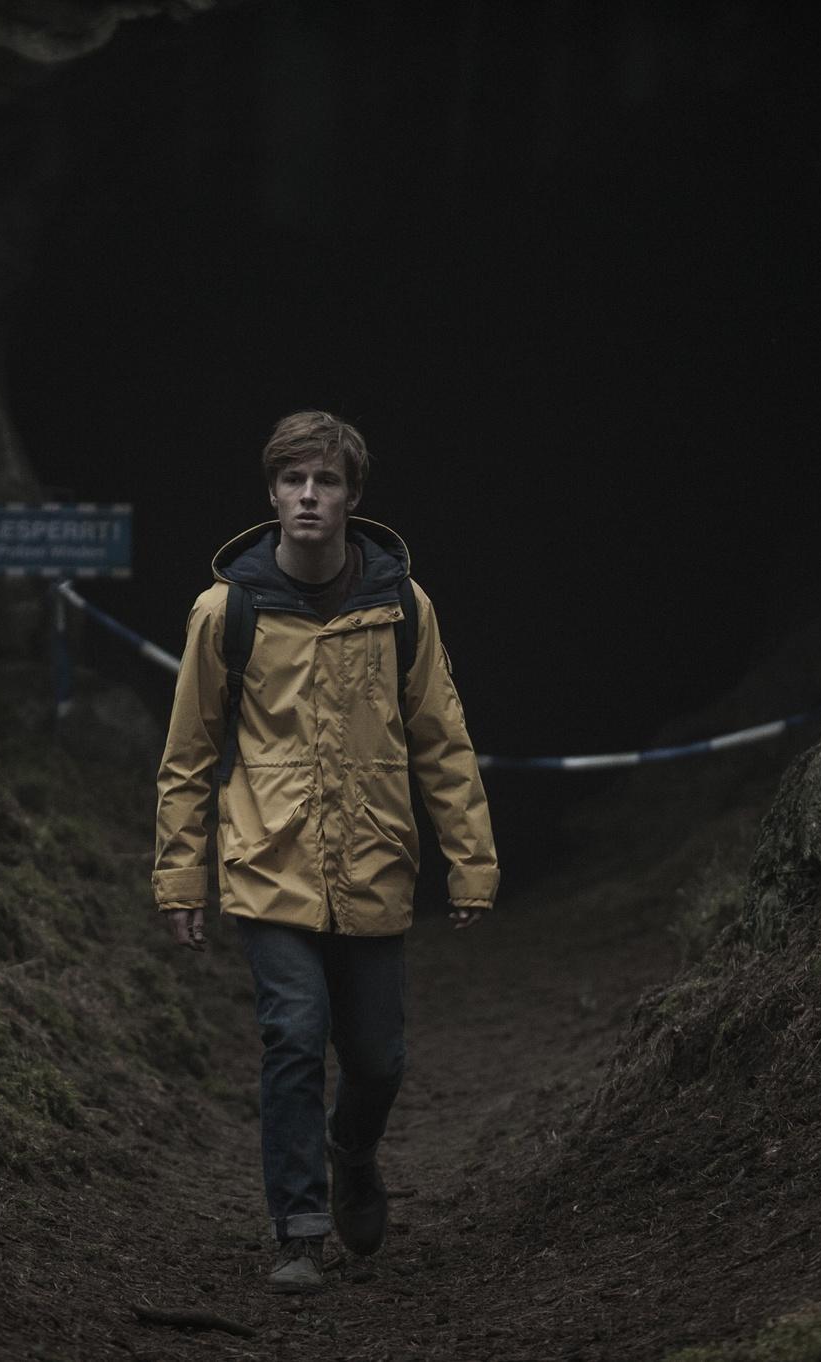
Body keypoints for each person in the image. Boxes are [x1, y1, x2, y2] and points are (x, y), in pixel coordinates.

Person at [152, 410, 500, 1295]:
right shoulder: (224, 611)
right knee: (294, 1037)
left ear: (352, 496)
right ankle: (299, 1230)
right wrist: (181, 875)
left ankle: (352, 1152)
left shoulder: (402, 606)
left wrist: (472, 861)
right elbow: (189, 755)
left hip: (376, 860)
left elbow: (443, 744)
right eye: (294, 481)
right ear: (271, 495)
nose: (310, 496)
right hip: (267, 861)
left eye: (328, 481)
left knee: (379, 1059)